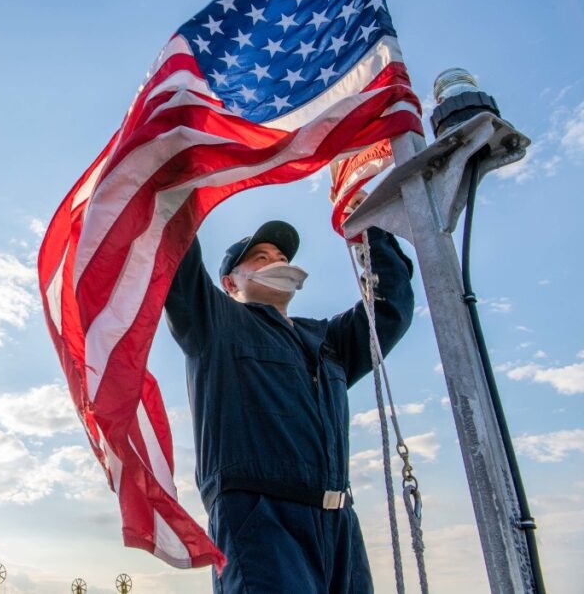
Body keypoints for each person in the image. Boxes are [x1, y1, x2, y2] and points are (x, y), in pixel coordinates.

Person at [164, 217, 414, 593]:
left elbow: (391, 308)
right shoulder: (215, 324)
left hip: (339, 524)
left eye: (280, 255)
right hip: (260, 519)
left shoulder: (328, 340)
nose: (276, 261)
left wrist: (370, 231)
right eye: (260, 258)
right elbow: (176, 256)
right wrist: (173, 182)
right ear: (231, 283)